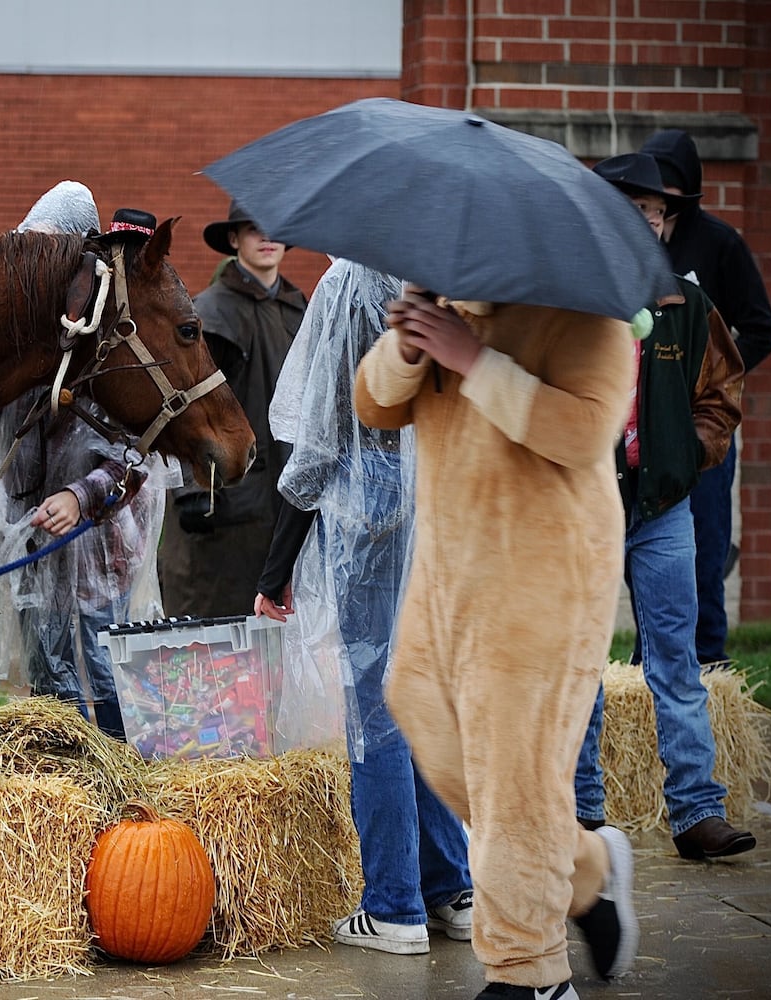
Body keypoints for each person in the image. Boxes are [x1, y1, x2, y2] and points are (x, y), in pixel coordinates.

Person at [354, 280, 639, 990]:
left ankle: (530, 971)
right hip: (450, 575)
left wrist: (477, 362)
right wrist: (408, 346)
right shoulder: (443, 310)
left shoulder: (587, 314)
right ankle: (585, 870)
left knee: (512, 782)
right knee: (423, 716)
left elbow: (585, 431)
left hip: (544, 579)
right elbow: (373, 406)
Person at [253, 257, 472, 956]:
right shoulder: (449, 276)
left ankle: (394, 905)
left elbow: (316, 440)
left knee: (376, 709)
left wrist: (276, 567)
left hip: (367, 515)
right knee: (423, 698)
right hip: (438, 507)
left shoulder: (349, 283)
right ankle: (453, 890)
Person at [575, 152, 752, 862]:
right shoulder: (572, 307)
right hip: (587, 508)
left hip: (663, 512)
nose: (647, 220)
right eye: (634, 207)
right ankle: (583, 812)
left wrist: (686, 456)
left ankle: (696, 812)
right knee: (581, 661)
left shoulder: (686, 303)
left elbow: (724, 392)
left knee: (675, 660)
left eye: (656, 211)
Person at [0, 191, 172, 740]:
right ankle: (71, 776)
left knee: (106, 667)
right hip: (35, 535)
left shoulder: (107, 342)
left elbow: (136, 450)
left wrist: (82, 495)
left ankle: (123, 778)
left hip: (101, 545)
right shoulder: (22, 332)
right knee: (48, 669)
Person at [640, 129, 771, 666]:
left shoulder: (719, 244)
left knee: (706, 551)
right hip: (643, 435)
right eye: (651, 197)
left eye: (671, 196)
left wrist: (708, 380)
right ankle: (651, 666)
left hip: (702, 433)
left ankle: (710, 666)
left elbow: (761, 329)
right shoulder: (633, 248)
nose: (660, 207)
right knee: (647, 557)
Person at [159, 200, 307, 618]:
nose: (267, 238)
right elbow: (180, 404)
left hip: (285, 502)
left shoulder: (301, 310)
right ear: (233, 238)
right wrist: (190, 489)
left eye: (275, 227)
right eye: (254, 228)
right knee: (219, 652)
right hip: (223, 507)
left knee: (280, 648)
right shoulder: (209, 312)